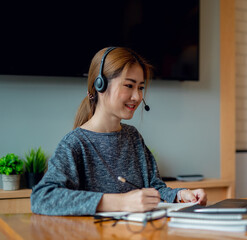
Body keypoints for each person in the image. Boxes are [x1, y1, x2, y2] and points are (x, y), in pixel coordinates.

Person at [31, 47, 207, 216]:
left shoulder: (133, 137)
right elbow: (42, 198)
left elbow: (154, 189)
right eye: (129, 86)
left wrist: (180, 195)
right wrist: (121, 202)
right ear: (100, 85)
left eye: (140, 87)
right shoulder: (75, 143)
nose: (137, 97)